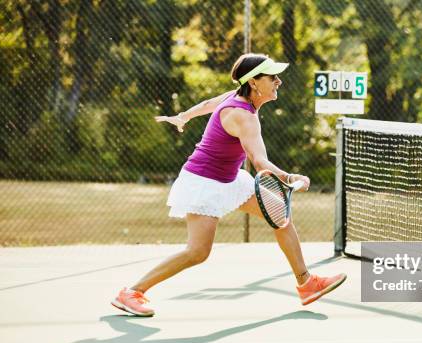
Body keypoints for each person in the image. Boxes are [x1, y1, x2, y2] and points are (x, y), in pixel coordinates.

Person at [111, 53, 346, 316]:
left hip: (231, 179)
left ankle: (306, 283)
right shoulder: (243, 116)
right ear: (254, 82)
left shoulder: (236, 98)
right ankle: (132, 292)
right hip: (204, 182)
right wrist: (291, 178)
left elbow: (210, 102)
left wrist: (184, 116)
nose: (279, 81)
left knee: (280, 217)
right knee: (198, 252)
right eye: (272, 77)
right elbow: (259, 161)